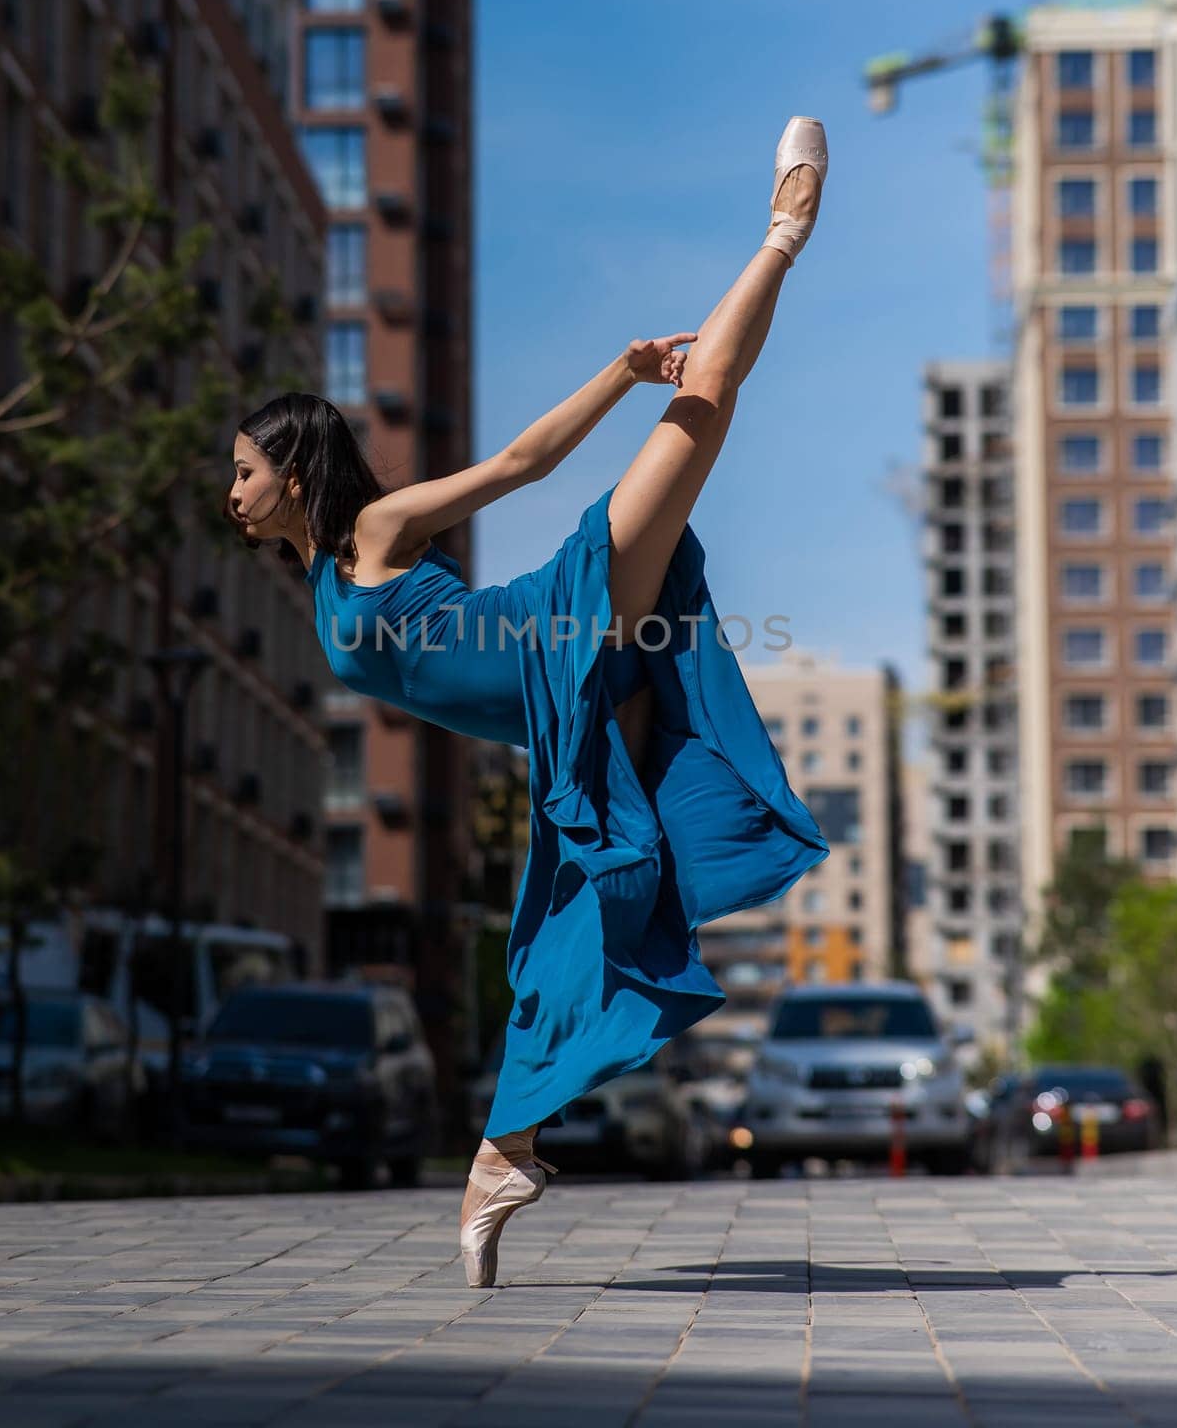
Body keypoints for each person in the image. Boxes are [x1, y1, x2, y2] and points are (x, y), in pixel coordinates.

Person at [225, 116, 831, 1287]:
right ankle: (503, 1155)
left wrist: (618, 367)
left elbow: (515, 468)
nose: (231, 489)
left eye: (244, 470)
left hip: (557, 625)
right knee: (559, 937)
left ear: (294, 471)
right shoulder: (311, 577)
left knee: (700, 394)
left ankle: (784, 229)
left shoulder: (372, 532)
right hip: (563, 721)